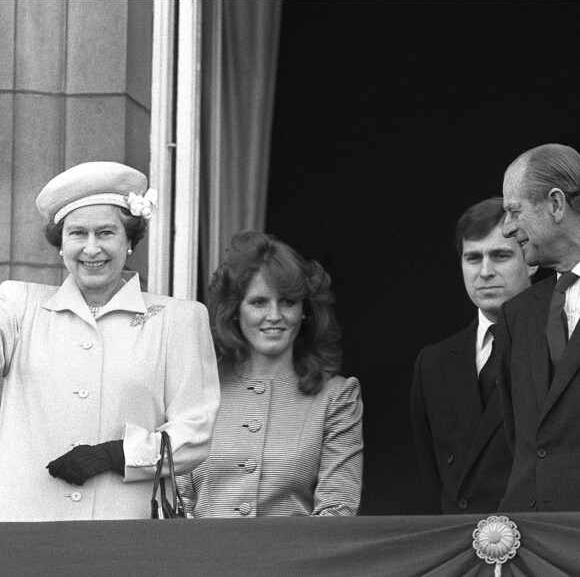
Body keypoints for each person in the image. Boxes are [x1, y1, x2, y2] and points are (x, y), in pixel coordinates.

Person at [0, 161, 220, 521]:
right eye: (77, 234)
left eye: (105, 233)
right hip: (25, 528)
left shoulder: (178, 319)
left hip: (124, 529)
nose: (91, 248)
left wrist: (118, 454)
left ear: (130, 240)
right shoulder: (18, 306)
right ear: (60, 244)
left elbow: (194, 433)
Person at [177, 231, 363, 517]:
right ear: (235, 310)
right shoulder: (199, 388)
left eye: (288, 302)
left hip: (294, 560)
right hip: (203, 559)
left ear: (305, 311)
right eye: (259, 302)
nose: (274, 315)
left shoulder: (337, 396)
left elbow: (337, 508)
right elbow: (177, 504)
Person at [411, 197, 537, 514]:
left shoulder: (558, 346)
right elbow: (428, 480)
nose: (484, 271)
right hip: (458, 548)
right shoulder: (434, 362)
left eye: (500, 256)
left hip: (535, 545)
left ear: (531, 260)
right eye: (472, 258)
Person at [498, 143, 580, 512]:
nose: (506, 228)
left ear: (557, 204)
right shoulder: (518, 314)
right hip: (532, 546)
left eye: (514, 210)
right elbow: (522, 442)